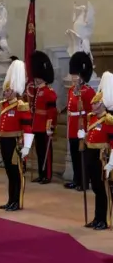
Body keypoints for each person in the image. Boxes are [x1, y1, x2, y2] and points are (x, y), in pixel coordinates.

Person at [0, 60, 33, 211]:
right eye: (5, 91)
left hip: (15, 142)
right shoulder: (5, 105)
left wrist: (26, 146)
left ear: (14, 91)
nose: (5, 93)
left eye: (7, 91)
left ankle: (17, 201)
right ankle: (10, 199)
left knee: (16, 172)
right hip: (4, 140)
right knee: (8, 171)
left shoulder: (21, 106)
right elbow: (4, 123)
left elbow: (27, 128)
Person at [80, 71, 113, 230]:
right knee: (94, 187)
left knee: (101, 189)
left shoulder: (108, 120)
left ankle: (103, 220)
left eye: (95, 103)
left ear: (102, 104)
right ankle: (96, 218)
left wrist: (111, 163)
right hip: (90, 155)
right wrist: (83, 136)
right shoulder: (91, 117)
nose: (92, 105)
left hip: (102, 157)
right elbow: (90, 138)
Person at [64, 51, 95, 191]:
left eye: (76, 76)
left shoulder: (88, 92)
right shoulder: (71, 91)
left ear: (82, 77)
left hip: (82, 127)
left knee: (83, 156)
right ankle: (76, 179)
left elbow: (91, 112)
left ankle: (84, 181)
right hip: (72, 127)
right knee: (75, 156)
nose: (74, 78)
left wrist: (87, 129)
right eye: (73, 76)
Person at [31, 51, 58, 184]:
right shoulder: (39, 91)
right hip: (37, 125)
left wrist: (50, 126)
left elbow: (52, 111)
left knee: (46, 153)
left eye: (38, 77)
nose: (36, 79)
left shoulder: (49, 92)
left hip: (44, 126)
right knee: (40, 152)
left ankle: (47, 175)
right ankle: (41, 174)